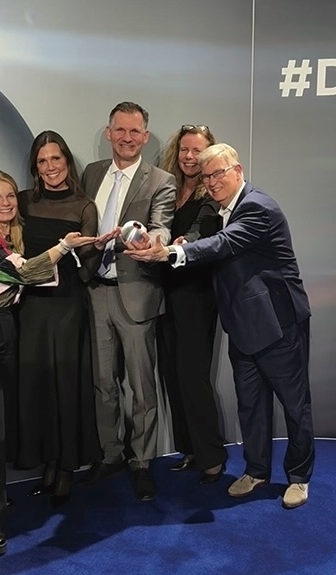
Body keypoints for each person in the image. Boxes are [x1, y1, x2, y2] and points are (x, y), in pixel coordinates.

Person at [125, 143, 315, 509]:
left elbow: (223, 244)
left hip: (279, 325)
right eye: (206, 176)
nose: (212, 182)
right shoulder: (219, 210)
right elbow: (207, 240)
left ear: (238, 171)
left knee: (295, 406)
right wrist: (176, 243)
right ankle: (256, 471)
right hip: (242, 325)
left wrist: (171, 253)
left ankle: (299, 477)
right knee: (250, 405)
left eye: (218, 173)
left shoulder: (257, 206)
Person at [0, 169, 98, 556]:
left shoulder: (5, 238)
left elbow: (33, 276)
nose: (6, 203)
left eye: (10, 196)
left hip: (3, 332)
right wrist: (65, 245)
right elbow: (26, 273)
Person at [78, 101, 176, 502]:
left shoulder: (161, 180)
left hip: (137, 294)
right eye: (120, 130)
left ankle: (142, 462)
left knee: (141, 386)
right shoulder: (91, 173)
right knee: (103, 383)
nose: (127, 138)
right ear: (109, 133)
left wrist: (153, 241)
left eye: (135, 131)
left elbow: (162, 226)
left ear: (146, 136)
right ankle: (111, 454)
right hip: (95, 291)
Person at [9, 131, 101, 508]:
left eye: (56, 159)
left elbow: (88, 270)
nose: (50, 167)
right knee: (37, 386)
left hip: (67, 306)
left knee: (66, 385)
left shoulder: (84, 206)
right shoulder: (22, 202)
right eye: (42, 161)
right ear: (35, 166)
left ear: (67, 161)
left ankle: (65, 468)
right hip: (29, 307)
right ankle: (45, 462)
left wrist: (94, 249)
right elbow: (5, 243)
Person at [157, 125, 228, 484]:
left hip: (196, 296)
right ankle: (189, 449)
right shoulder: (168, 190)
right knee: (172, 374)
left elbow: (202, 232)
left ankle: (211, 456)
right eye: (184, 150)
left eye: (197, 151)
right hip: (164, 293)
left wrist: (182, 245)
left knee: (192, 376)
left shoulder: (210, 194)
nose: (189, 157)